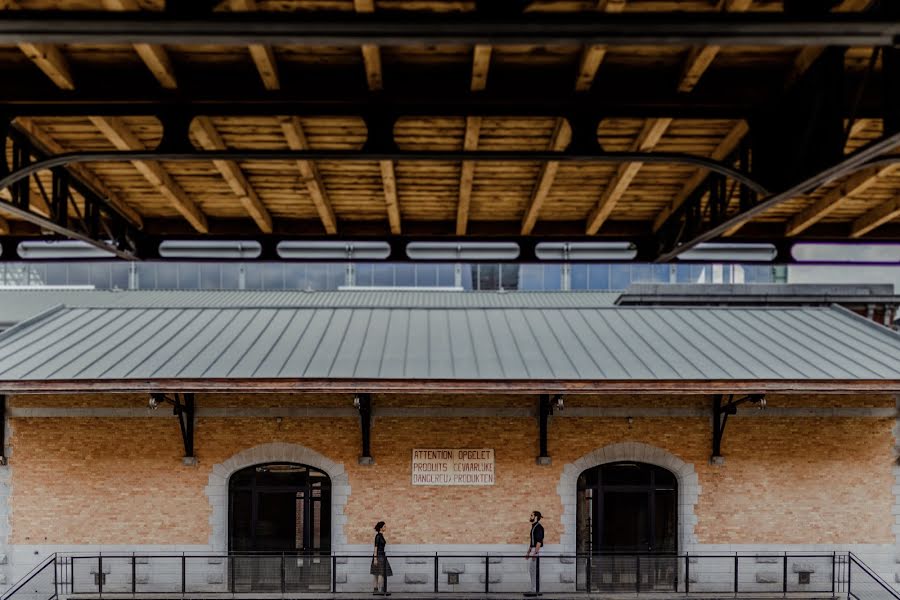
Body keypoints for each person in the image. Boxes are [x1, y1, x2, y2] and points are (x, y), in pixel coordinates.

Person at [370, 521, 392, 595]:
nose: (385, 527)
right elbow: (375, 548)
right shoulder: (378, 536)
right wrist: (375, 558)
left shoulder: (381, 535)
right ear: (381, 528)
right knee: (380, 573)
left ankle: (377, 590)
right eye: (384, 526)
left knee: (377, 573)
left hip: (381, 556)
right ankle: (380, 590)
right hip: (379, 556)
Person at [525, 511, 544, 595]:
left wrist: (535, 553)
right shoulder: (534, 527)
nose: (530, 516)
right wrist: (528, 553)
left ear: (536, 517)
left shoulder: (539, 527)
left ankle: (535, 590)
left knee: (534, 570)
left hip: (537, 550)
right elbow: (532, 541)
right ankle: (534, 589)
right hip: (534, 550)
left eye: (532, 515)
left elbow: (539, 542)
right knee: (532, 570)